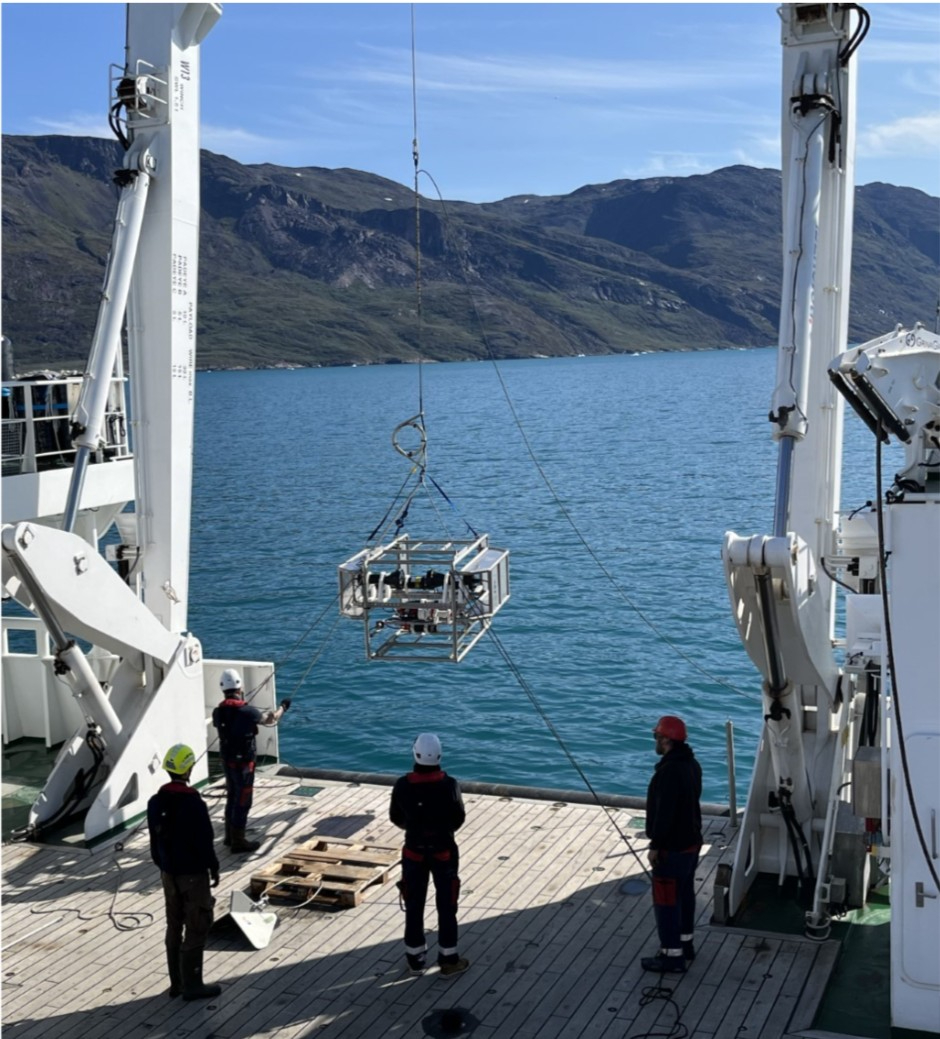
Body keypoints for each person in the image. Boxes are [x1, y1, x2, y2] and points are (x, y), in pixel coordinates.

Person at [389, 733, 469, 977]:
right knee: (447, 905)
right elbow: (458, 818)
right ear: (440, 756)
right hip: (443, 851)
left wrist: (415, 829)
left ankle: (415, 959)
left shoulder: (403, 785)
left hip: (414, 852)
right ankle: (448, 959)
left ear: (415, 754)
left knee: (414, 904)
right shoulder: (450, 785)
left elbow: (395, 817)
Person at [148, 743, 222, 1001]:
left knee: (174, 924)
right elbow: (204, 841)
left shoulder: (155, 802)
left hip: (168, 873)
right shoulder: (193, 803)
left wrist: (164, 866)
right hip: (192, 874)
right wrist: (213, 866)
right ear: (188, 768)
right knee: (198, 924)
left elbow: (154, 842)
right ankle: (193, 984)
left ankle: (176, 983)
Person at [641, 714, 703, 973]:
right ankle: (686, 945)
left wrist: (656, 845)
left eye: (656, 736)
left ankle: (671, 957)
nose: (655, 740)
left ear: (665, 739)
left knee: (666, 902)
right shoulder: (692, 764)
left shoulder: (668, 772)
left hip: (672, 849)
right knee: (685, 895)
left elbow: (665, 814)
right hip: (692, 844)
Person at [212, 668, 290, 852]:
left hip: (227, 761)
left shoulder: (217, 712)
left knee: (232, 796)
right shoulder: (247, 711)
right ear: (240, 688)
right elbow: (270, 720)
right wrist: (283, 707)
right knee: (243, 800)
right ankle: (238, 842)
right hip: (244, 764)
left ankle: (230, 837)